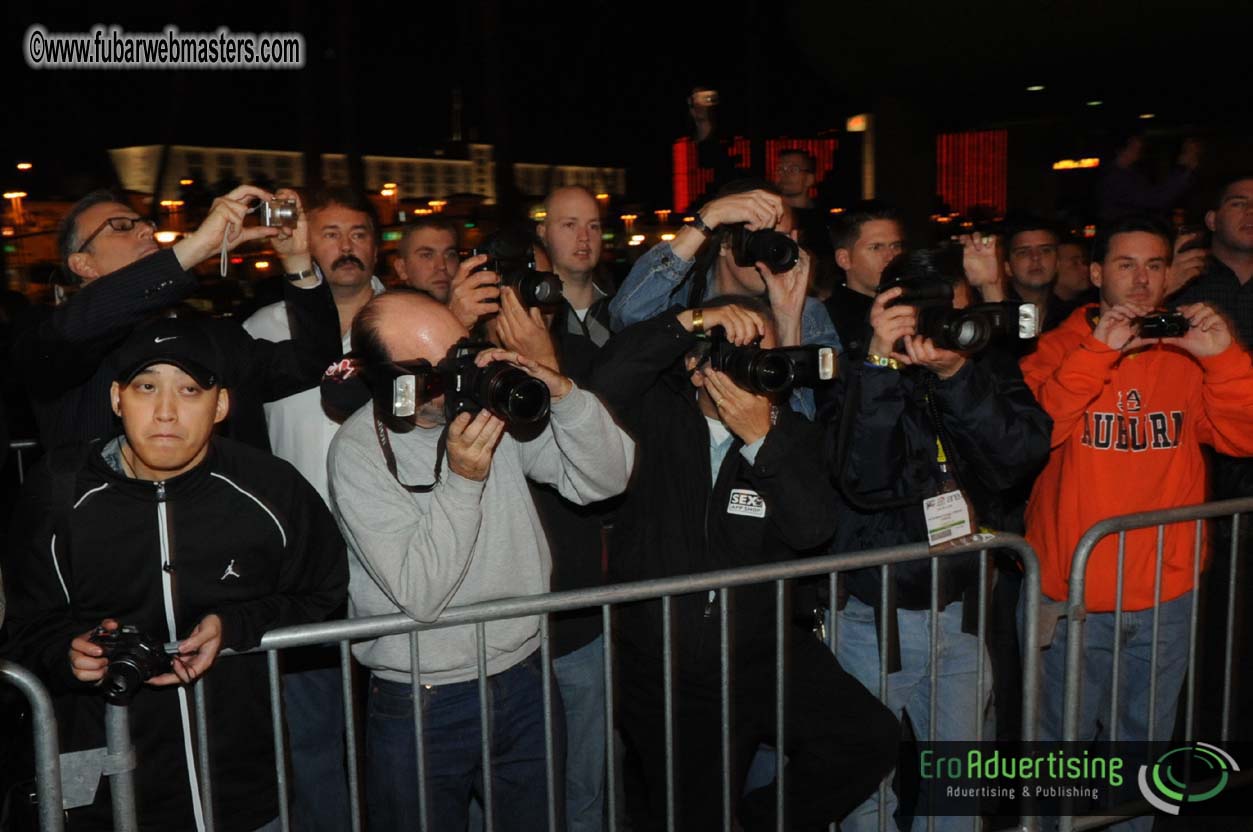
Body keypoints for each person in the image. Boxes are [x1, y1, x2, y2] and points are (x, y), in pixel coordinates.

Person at [0, 317, 348, 832]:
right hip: (104, 785)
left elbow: (324, 593)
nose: (166, 412)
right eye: (146, 387)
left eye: (189, 390)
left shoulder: (271, 488)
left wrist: (236, 625)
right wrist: (69, 652)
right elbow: (26, 628)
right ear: (117, 399)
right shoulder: (58, 494)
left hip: (241, 783)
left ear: (222, 405)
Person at [327, 289, 633, 832]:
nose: (459, 378)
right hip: (421, 695)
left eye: (461, 354)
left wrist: (563, 393)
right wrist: (464, 481)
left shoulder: (490, 415)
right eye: (437, 371)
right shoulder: (358, 451)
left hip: (525, 674)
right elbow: (421, 593)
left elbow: (604, 481)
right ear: (388, 381)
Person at [590, 295, 898, 831]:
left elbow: (813, 529)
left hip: (764, 650)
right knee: (690, 812)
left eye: (765, 351)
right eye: (740, 350)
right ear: (697, 364)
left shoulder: (791, 435)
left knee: (868, 737)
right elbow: (603, 381)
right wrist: (688, 322)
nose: (756, 365)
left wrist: (761, 442)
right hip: (668, 665)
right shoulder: (654, 415)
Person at [1020, 216, 1253, 829]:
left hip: (1165, 594)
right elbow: (1033, 434)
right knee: (1055, 753)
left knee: (1143, 755)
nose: (1143, 279)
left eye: (1155, 265)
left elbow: (1242, 435)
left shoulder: (1189, 353)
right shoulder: (1057, 346)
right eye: (1126, 264)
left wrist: (1225, 358)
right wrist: (1100, 350)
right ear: (1097, 274)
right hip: (1070, 595)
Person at [830, 249, 1051, 831]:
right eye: (919, 310)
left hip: (962, 607)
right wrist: (880, 364)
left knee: (957, 789)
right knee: (863, 786)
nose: (936, 324)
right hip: (874, 614)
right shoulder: (858, 369)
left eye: (948, 309)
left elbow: (1019, 456)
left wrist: (956, 375)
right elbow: (864, 480)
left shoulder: (980, 363)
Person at [242, 186, 385, 832]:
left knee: (402, 721)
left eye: (358, 233)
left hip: (395, 552)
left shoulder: (418, 319)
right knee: (314, 732)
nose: (346, 247)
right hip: (303, 563)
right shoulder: (263, 330)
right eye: (330, 234)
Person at [9, 186, 340, 453]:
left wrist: (297, 261)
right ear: (83, 265)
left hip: (224, 527)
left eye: (146, 224)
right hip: (107, 531)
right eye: (122, 226)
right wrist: (195, 247)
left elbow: (315, 363)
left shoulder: (208, 332)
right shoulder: (50, 333)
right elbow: (79, 326)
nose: (144, 231)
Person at [528, 185, 615, 832]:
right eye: (567, 224)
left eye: (591, 224)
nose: (582, 237)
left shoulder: (628, 316)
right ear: (544, 235)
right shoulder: (520, 321)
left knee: (589, 760)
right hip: (540, 564)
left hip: (599, 570)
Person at [609, 181, 837, 417]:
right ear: (726, 245)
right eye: (764, 239)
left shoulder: (808, 315)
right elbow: (625, 318)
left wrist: (788, 321)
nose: (774, 252)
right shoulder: (681, 298)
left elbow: (800, 434)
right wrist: (707, 218)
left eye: (782, 241)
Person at [824, 201, 906, 357]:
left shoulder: (914, 306)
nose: (891, 256)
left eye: (896, 246)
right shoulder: (826, 320)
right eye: (876, 247)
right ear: (844, 259)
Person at [1097, 132, 1199, 222]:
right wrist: (1184, 170)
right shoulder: (1114, 178)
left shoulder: (1133, 173)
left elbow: (1155, 195)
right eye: (1134, 147)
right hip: (1123, 231)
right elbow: (1155, 200)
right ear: (1121, 149)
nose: (1138, 151)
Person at [393, 215, 462, 302]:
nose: (442, 266)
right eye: (427, 255)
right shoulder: (387, 312)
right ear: (402, 268)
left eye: (450, 255)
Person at [1054, 236, 1096, 306]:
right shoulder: (1041, 310)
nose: (1086, 268)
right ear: (1054, 268)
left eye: (1084, 262)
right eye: (1075, 263)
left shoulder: (1092, 306)